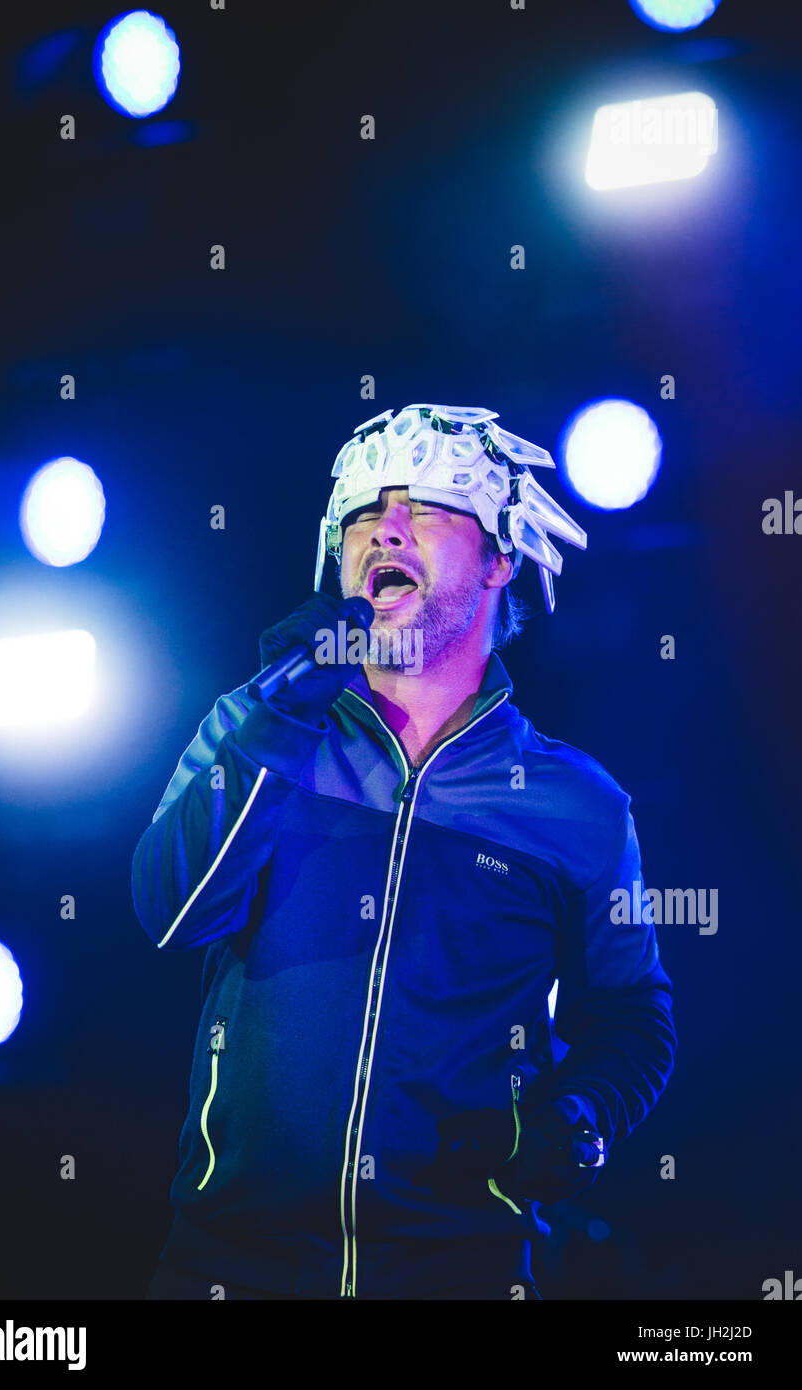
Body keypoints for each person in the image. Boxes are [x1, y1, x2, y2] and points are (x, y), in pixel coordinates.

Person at [133, 403, 676, 1300]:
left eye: (426, 507)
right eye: (358, 515)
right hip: (224, 1268)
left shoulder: (575, 803)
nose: (382, 527)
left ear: (500, 559)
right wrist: (280, 713)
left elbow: (630, 1017)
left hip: (460, 1270)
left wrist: (581, 1114)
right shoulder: (253, 725)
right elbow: (172, 911)